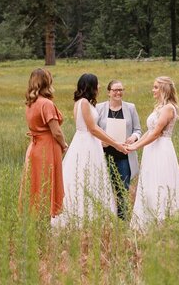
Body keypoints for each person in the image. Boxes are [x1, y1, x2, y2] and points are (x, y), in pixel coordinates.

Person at [53, 73, 127, 227]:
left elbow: (93, 128)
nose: (99, 87)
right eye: (97, 84)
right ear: (91, 86)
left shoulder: (81, 102)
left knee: (84, 177)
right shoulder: (84, 103)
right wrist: (115, 143)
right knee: (84, 176)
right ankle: (82, 214)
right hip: (86, 143)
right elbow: (92, 129)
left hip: (85, 141)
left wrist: (106, 139)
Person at [126, 76, 179, 229]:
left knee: (160, 181)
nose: (152, 90)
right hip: (151, 148)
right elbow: (149, 131)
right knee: (149, 180)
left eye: (155, 87)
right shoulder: (159, 107)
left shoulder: (168, 108)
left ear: (163, 89)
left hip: (162, 148)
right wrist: (134, 143)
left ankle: (163, 218)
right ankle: (149, 217)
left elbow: (157, 133)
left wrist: (136, 148)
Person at [21, 68, 66, 218]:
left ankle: (35, 216)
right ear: (47, 82)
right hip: (47, 147)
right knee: (47, 182)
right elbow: (56, 131)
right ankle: (44, 218)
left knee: (35, 182)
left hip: (34, 146)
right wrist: (64, 145)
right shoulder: (46, 104)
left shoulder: (30, 103)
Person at [96, 79, 143, 219]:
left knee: (122, 189)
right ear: (108, 92)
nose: (118, 92)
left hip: (124, 155)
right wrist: (100, 142)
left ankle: (122, 220)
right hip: (104, 155)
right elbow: (93, 131)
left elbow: (138, 130)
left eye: (121, 90)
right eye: (115, 90)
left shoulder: (130, 108)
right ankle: (106, 219)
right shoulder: (99, 108)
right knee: (104, 189)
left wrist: (133, 138)